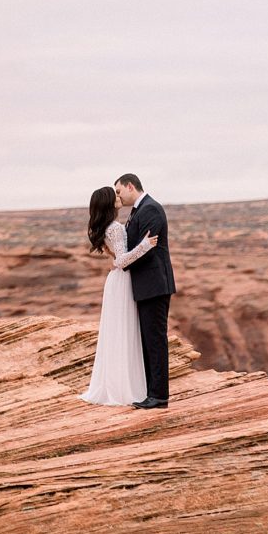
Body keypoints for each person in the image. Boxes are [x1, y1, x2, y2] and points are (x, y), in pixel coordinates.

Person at [80, 186, 158, 406]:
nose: (118, 197)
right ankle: (124, 389)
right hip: (122, 281)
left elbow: (116, 258)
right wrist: (144, 246)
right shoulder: (114, 227)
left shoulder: (108, 226)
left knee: (118, 333)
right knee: (123, 332)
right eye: (113, 194)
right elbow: (122, 261)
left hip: (116, 281)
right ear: (107, 201)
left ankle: (119, 384)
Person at [113, 173, 177, 409]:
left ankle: (159, 396)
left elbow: (147, 249)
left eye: (120, 191)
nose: (118, 196)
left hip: (154, 285)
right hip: (148, 285)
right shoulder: (139, 210)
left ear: (131, 186)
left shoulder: (150, 209)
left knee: (155, 339)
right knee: (148, 339)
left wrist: (124, 261)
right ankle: (152, 392)